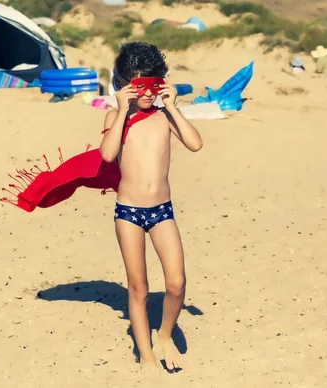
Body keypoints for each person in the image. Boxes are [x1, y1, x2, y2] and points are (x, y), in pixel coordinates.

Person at [99, 42, 203, 375]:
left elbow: (195, 143)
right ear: (126, 85)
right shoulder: (116, 117)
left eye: (154, 86)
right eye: (139, 86)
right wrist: (119, 109)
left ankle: (165, 334)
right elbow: (106, 154)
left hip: (162, 211)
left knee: (176, 283)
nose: (147, 94)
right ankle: (145, 353)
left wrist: (173, 107)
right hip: (128, 213)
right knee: (139, 287)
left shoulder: (163, 117)